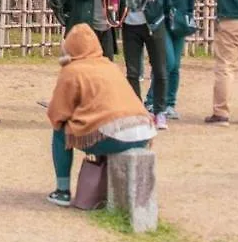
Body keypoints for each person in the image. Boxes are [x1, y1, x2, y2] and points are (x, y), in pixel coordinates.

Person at [46, 23, 157, 206]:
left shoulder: (72, 70)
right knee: (99, 123)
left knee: (60, 131)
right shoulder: (109, 66)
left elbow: (57, 114)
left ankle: (62, 191)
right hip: (143, 132)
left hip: (112, 135)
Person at [107, 0, 167, 128]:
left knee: (159, 68)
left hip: (152, 20)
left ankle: (160, 111)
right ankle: (136, 111)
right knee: (132, 70)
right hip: (128, 21)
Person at [146, 0, 195, 120]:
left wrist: (189, 11)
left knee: (176, 64)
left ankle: (170, 103)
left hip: (180, 18)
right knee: (167, 61)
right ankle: (152, 100)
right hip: (160, 18)